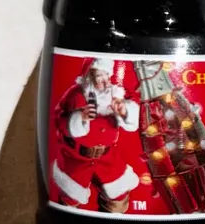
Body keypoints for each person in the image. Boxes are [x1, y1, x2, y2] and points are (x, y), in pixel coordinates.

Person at [50, 57, 140, 212]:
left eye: (106, 75)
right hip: (76, 158)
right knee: (70, 197)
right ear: (89, 77)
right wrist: (80, 117)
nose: (104, 81)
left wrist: (125, 111)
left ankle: (112, 222)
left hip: (108, 157)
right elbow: (59, 119)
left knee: (119, 195)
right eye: (99, 76)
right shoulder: (75, 94)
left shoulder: (117, 95)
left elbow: (136, 111)